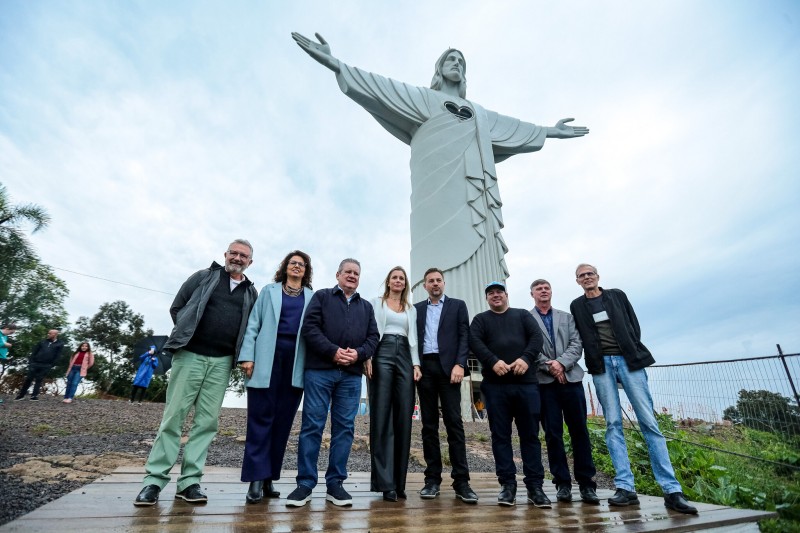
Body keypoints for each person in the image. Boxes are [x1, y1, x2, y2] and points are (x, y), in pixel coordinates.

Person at [291, 32, 589, 316]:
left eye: (461, 61)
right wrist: (335, 64)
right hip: (434, 197)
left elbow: (513, 128)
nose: (457, 64)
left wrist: (550, 132)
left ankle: (485, 326)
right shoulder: (424, 99)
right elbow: (380, 88)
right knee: (435, 259)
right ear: (439, 69)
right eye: (451, 60)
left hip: (475, 201)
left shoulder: (479, 113)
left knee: (481, 255)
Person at [134, 240, 257, 507]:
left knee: (206, 423)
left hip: (222, 362)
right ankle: (153, 481)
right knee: (173, 417)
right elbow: (177, 307)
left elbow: (250, 327)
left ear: (250, 261)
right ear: (225, 255)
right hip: (189, 355)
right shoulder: (203, 277)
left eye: (243, 255)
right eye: (233, 253)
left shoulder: (251, 293)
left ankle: (189, 482)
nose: (237, 258)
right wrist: (188, 332)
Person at [570, 264, 698, 515]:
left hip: (629, 361)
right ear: (577, 281)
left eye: (590, 274)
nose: (587, 278)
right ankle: (625, 488)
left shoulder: (617, 295)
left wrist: (629, 349)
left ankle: (672, 490)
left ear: (598, 276)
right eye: (581, 276)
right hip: (601, 365)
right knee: (613, 425)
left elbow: (632, 325)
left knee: (649, 422)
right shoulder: (577, 305)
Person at [286, 258, 379, 508]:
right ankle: (305, 484)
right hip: (320, 372)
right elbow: (310, 328)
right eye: (347, 272)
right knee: (312, 426)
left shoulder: (366, 307)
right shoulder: (322, 297)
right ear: (338, 275)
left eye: (356, 273)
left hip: (350, 376)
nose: (352, 276)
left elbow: (373, 338)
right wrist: (333, 351)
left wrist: (359, 354)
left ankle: (335, 483)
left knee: (345, 429)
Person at [238, 251, 314, 504]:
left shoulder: (312, 297)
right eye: (293, 263)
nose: (296, 267)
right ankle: (255, 479)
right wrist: (247, 356)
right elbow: (253, 324)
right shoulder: (269, 291)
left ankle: (269, 476)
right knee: (260, 417)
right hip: (266, 358)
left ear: (306, 270)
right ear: (285, 267)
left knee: (282, 421)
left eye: (301, 265)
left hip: (296, 362)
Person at [469, 282, 548, 508]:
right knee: (500, 436)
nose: (495, 296)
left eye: (499, 292)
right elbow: (475, 342)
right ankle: (508, 486)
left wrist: (525, 359)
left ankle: (535, 487)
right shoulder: (481, 320)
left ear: (506, 295)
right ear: (487, 299)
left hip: (526, 384)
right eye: (491, 293)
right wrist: (493, 362)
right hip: (495, 386)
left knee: (530, 436)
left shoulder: (522, 315)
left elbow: (536, 338)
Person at [529, 279, 599, 504]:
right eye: (539, 289)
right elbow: (529, 348)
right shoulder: (526, 319)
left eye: (546, 288)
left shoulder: (567, 317)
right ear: (532, 294)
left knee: (580, 431)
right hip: (545, 384)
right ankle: (562, 484)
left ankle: (587, 484)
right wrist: (549, 367)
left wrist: (561, 364)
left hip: (571, 380)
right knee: (552, 434)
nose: (543, 291)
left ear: (551, 291)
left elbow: (577, 345)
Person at [413, 267, 478, 503]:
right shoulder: (416, 309)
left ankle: (462, 482)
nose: (435, 284)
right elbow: (413, 339)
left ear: (444, 283)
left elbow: (464, 336)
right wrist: (415, 364)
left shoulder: (458, 306)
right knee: (428, 426)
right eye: (430, 281)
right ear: (424, 285)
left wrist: (460, 364)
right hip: (425, 368)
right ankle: (432, 480)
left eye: (438, 280)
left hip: (450, 369)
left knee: (454, 425)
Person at [365, 266, 420, 502]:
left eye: (401, 278)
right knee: (382, 416)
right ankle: (385, 483)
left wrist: (416, 364)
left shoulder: (411, 309)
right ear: (388, 282)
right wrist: (367, 357)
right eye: (394, 277)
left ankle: (399, 483)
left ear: (405, 283)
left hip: (405, 357)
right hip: (381, 352)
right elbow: (369, 332)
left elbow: (414, 338)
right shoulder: (375, 303)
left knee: (403, 417)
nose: (398, 280)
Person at [15, 329, 65, 401]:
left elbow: (58, 355)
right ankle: (21, 395)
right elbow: (34, 351)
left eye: (50, 333)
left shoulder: (60, 344)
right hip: (35, 363)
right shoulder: (42, 342)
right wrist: (31, 362)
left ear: (55, 334)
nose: (48, 334)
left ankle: (34, 396)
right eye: (48, 333)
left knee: (39, 379)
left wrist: (52, 364)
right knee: (29, 379)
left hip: (46, 365)